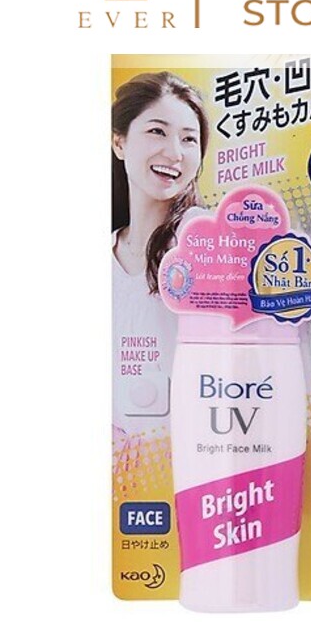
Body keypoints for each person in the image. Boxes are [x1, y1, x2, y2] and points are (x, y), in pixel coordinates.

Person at [111, 72, 209, 439]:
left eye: (189, 139)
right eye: (157, 131)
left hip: (191, 450)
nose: (175, 153)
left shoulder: (200, 238)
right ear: (119, 142)